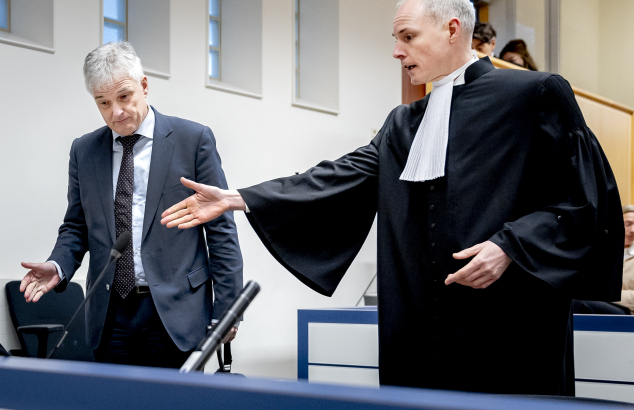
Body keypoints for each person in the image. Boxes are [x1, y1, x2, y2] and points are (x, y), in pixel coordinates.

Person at [161, 0, 623, 395]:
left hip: (508, 332)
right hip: (421, 336)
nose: (396, 51)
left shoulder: (535, 94)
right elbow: (338, 177)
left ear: (452, 29)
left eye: (407, 35)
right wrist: (239, 198)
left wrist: (511, 245)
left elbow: (586, 206)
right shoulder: (404, 123)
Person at [19, 42, 243, 368]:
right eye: (103, 103)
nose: (116, 112)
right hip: (110, 315)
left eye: (124, 97)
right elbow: (77, 226)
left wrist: (228, 310)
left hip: (175, 311)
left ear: (145, 86)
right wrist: (58, 265)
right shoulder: (84, 151)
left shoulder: (192, 140)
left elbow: (221, 231)